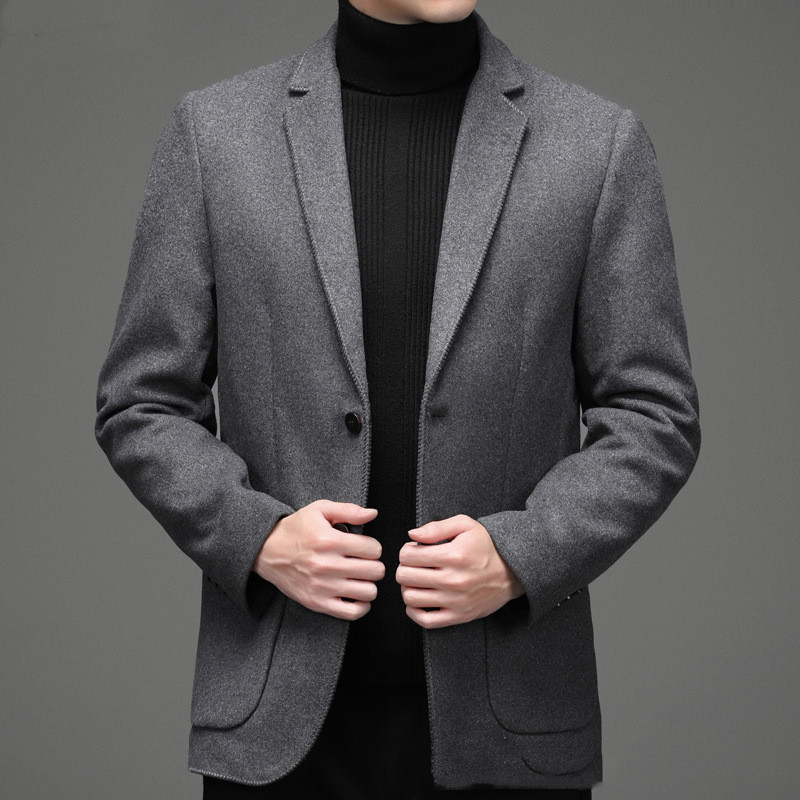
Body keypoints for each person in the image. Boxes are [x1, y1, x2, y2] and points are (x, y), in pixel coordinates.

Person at [94, 0, 701, 797]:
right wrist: (259, 538)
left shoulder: (596, 144)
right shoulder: (216, 136)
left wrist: (522, 554)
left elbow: (654, 414)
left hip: (509, 728)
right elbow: (141, 400)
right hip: (279, 728)